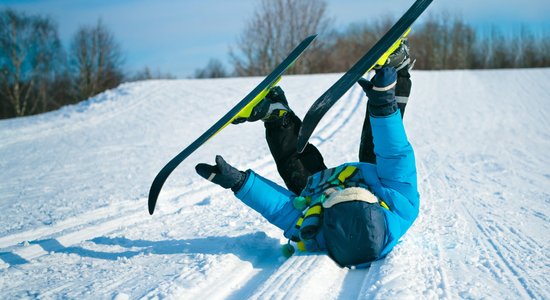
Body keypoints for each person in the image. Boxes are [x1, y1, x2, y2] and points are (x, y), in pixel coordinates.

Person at [195, 40, 418, 268]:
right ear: (377, 206)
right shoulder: (401, 206)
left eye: (340, 198)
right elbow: (394, 153)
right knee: (378, 145)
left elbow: (282, 210)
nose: (347, 191)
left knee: (297, 174)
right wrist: (382, 104)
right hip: (374, 178)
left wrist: (240, 183)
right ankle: (396, 69)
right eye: (354, 194)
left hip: (323, 190)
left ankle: (276, 114)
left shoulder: (317, 233)